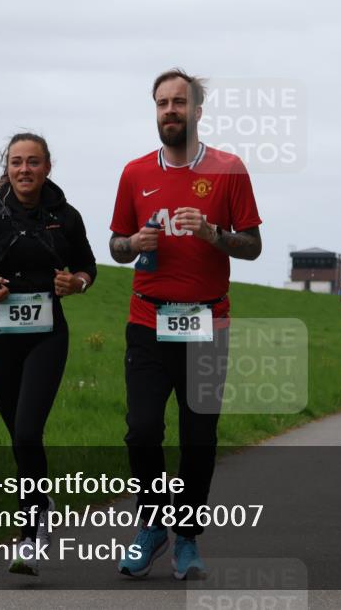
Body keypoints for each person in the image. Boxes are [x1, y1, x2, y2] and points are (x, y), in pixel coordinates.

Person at [108, 69, 262, 580]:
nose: (169, 111)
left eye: (179, 102)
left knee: (199, 438)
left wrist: (216, 234)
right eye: (161, 103)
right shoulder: (134, 173)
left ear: (198, 110)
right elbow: (115, 246)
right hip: (148, 323)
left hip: (207, 324)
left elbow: (254, 246)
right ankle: (152, 525)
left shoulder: (229, 170)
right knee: (143, 431)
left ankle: (188, 538)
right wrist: (132, 245)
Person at [0, 132, 97, 576]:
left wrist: (78, 283)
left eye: (33, 162)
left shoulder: (65, 217)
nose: (24, 170)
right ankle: (42, 500)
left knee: (29, 433)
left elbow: (88, 266)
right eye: (16, 162)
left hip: (49, 334)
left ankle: (30, 533)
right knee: (19, 436)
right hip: (1, 334)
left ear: (48, 167)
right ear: (6, 168)